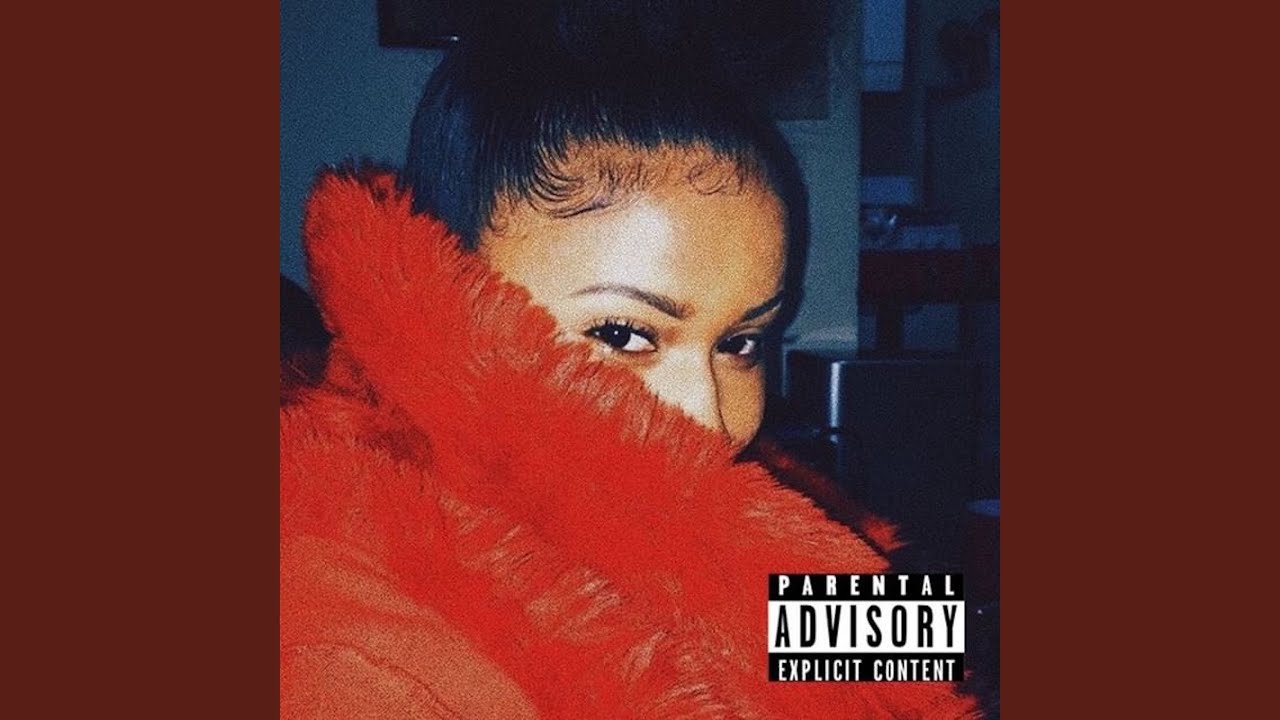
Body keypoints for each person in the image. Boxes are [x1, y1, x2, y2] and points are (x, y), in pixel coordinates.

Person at [280, 5, 982, 717]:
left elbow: (916, 662)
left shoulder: (731, 514)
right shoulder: (353, 647)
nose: (709, 418)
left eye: (741, 342)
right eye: (622, 335)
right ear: (446, 295)